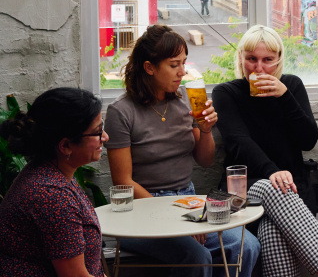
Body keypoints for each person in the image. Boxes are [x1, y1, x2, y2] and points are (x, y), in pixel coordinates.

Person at [104, 24, 260, 277]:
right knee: (197, 256)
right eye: (174, 64)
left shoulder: (184, 102)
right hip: (142, 210)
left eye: (184, 63)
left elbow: (205, 160)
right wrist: (176, 215)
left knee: (246, 245)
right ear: (149, 67)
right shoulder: (121, 112)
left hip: (186, 201)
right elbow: (123, 181)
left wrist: (206, 130)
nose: (182, 71)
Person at [213, 24, 318, 277]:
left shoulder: (291, 85)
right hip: (243, 192)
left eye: (267, 60)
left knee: (272, 233)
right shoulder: (226, 92)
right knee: (272, 186)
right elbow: (239, 141)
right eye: (251, 59)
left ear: (279, 60)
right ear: (241, 58)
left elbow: (308, 140)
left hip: (290, 195)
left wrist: (284, 97)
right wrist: (273, 172)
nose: (259, 68)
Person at [0, 87, 108, 277]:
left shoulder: (51, 175)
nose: (105, 137)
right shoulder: (51, 195)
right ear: (65, 145)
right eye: (98, 131)